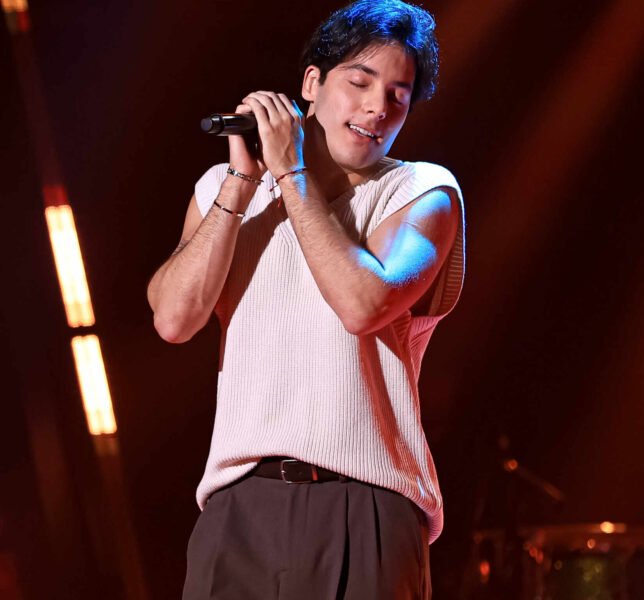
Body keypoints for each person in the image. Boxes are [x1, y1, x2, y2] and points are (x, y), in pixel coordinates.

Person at [146, 1, 464, 597]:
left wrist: (291, 174)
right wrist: (243, 182)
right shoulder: (224, 190)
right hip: (238, 507)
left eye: (397, 95)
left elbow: (362, 304)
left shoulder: (421, 189)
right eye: (360, 82)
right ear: (312, 84)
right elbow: (173, 319)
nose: (377, 107)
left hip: (366, 503)